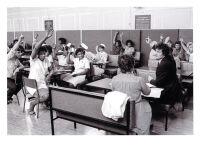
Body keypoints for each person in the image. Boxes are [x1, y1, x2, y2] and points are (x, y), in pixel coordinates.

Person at [111, 55, 152, 135]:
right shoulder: (139, 79)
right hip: (135, 109)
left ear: (119, 67)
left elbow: (114, 93)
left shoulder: (114, 79)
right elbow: (147, 92)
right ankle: (142, 132)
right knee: (146, 105)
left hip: (121, 109)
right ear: (133, 66)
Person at [27, 29, 54, 115]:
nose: (43, 54)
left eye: (44, 53)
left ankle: (46, 102)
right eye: (41, 53)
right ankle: (32, 104)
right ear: (37, 54)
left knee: (54, 91)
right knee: (46, 95)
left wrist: (48, 76)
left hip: (42, 84)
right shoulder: (34, 60)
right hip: (33, 85)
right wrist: (46, 37)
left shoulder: (46, 60)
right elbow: (36, 47)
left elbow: (52, 69)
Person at [7, 34, 25, 104]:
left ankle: (8, 97)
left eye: (21, 52)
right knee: (14, 87)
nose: (20, 53)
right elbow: (14, 48)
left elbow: (22, 66)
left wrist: (17, 69)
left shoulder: (16, 60)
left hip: (11, 78)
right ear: (14, 52)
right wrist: (20, 40)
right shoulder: (8, 57)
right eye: (18, 52)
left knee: (21, 85)